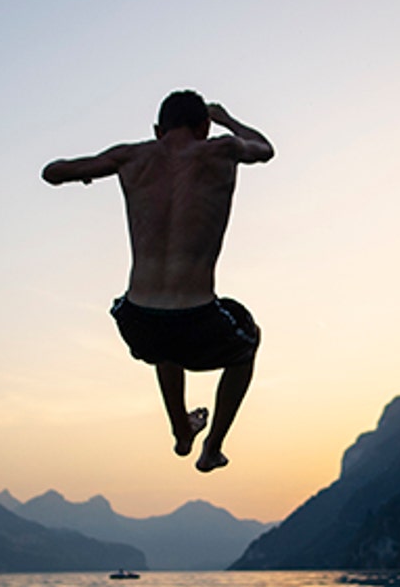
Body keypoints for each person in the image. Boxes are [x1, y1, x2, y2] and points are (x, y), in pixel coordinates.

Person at [42, 91, 275, 473]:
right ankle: (212, 446)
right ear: (204, 127)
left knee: (165, 340)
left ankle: (182, 431)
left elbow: (52, 172)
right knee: (247, 341)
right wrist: (227, 119)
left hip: (138, 322)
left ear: (157, 130)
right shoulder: (220, 150)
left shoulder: (131, 157)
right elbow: (264, 149)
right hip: (197, 320)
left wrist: (86, 172)